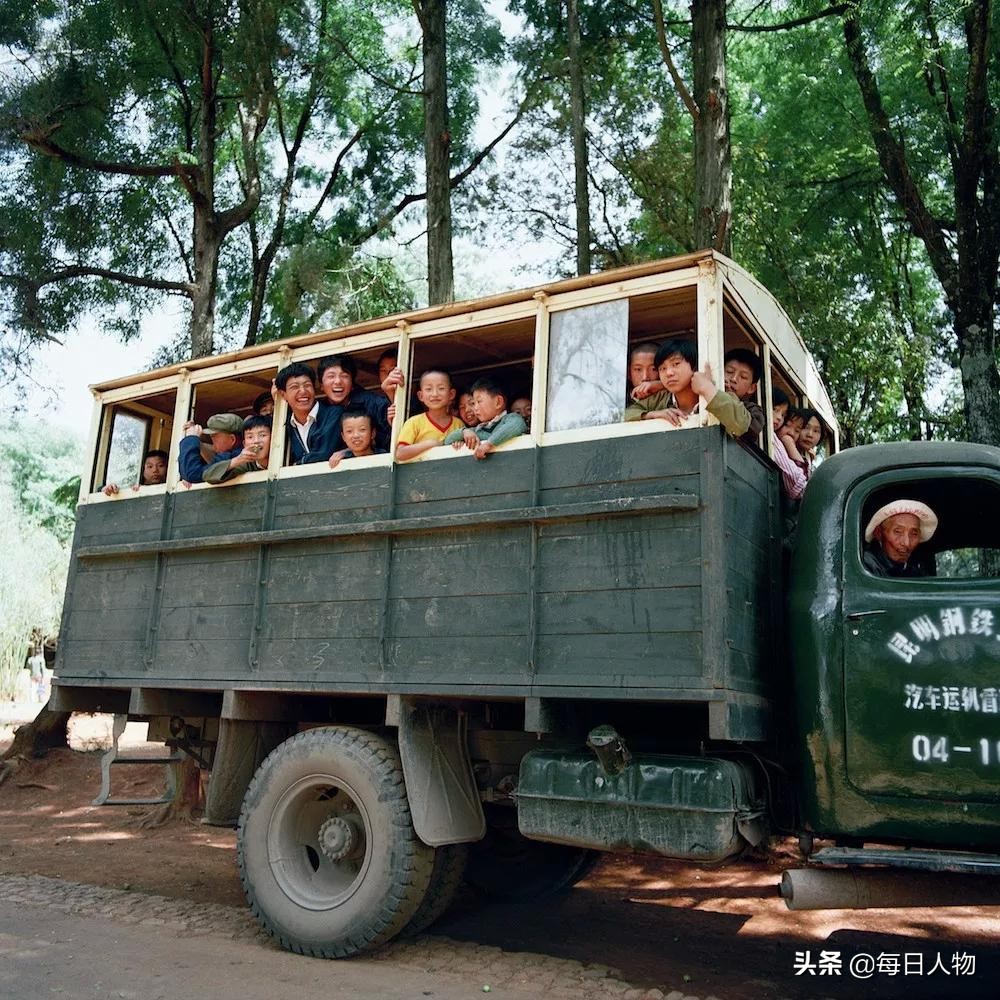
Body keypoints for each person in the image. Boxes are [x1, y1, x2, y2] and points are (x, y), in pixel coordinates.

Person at [317, 354, 398, 451]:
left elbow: (396, 436)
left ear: (352, 384)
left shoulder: (372, 403)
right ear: (321, 385)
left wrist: (347, 452)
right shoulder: (318, 411)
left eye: (344, 376)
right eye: (331, 376)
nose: (338, 381)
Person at [275, 362, 342, 465]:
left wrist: (297, 464)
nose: (303, 391)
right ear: (283, 395)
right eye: (295, 387)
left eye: (307, 385)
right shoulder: (287, 426)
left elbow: (323, 454)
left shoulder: (334, 414)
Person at [444, 376, 527, 460]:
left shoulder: (512, 418)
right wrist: (464, 432)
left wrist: (489, 444)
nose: (475, 408)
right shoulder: (478, 430)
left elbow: (516, 425)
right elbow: (448, 440)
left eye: (479, 401)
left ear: (498, 402)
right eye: (474, 403)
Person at [396, 370, 464, 462]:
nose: (435, 394)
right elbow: (400, 453)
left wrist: (459, 444)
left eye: (441, 388)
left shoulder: (458, 424)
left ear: (451, 394)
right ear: (421, 396)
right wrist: (430, 444)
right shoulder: (414, 422)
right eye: (429, 389)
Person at [863, 500, 938, 577]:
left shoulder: (915, 571)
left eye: (914, 534)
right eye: (898, 532)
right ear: (879, 533)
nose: (906, 543)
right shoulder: (865, 566)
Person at [203, 416, 272, 483]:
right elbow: (207, 476)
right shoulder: (247, 464)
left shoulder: (281, 459)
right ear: (244, 444)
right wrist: (238, 460)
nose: (256, 441)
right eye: (250, 437)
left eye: (262, 435)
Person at [178, 414, 243, 484]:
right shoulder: (234, 454)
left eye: (214, 436)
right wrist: (196, 439)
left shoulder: (230, 456)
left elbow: (191, 474)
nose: (212, 440)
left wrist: (191, 439)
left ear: (232, 439)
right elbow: (211, 461)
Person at [720, 348, 765, 446]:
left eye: (743, 377)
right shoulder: (704, 397)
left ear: (752, 388)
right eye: (729, 371)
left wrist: (728, 397)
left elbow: (752, 429)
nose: (734, 379)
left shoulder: (753, 410)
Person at [769, 388, 807, 501]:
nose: (779, 417)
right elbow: (797, 484)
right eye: (775, 409)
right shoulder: (772, 438)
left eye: (783, 415)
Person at [102, 449, 168, 496]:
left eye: (160, 465)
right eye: (150, 466)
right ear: (142, 470)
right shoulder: (133, 485)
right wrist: (109, 488)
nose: (155, 470)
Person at [626, 341, 664, 407]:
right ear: (629, 373)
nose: (645, 377)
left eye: (654, 369)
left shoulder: (670, 397)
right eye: (638, 369)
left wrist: (663, 385)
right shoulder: (620, 401)